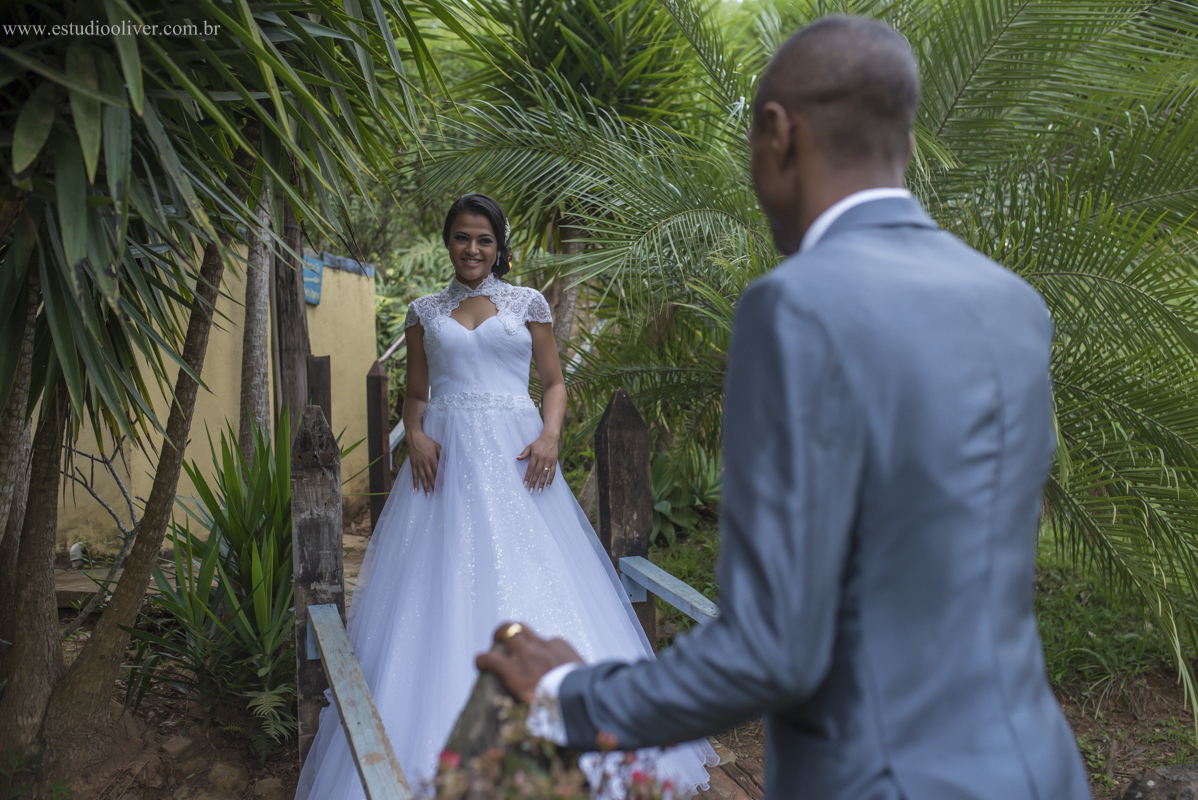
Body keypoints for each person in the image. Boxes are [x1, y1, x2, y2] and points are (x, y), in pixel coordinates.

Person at [478, 16, 1093, 800]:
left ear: (777, 132)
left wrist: (571, 695)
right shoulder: (1013, 304)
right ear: (904, 141)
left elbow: (773, 651)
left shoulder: (796, 306)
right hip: (1041, 769)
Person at [294, 193, 717, 800]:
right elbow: (416, 394)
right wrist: (415, 434)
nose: (472, 249)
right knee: (436, 586)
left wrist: (550, 436)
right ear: (449, 241)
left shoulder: (528, 303)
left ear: (499, 247)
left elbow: (554, 382)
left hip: (520, 461)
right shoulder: (422, 312)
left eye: (484, 240)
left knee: (535, 573)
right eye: (462, 237)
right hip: (443, 467)